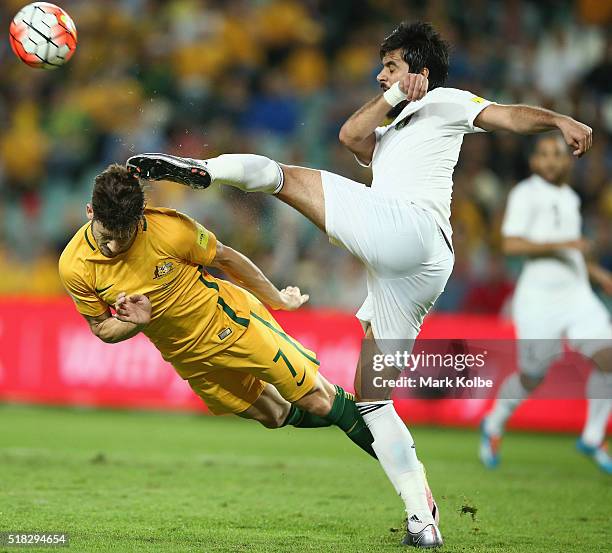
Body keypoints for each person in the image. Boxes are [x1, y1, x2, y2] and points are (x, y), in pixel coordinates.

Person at [126, 21, 593, 548]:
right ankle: (423, 520)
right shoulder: (391, 125)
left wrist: (557, 119)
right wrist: (395, 93)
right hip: (413, 273)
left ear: (418, 70)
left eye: (390, 66)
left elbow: (508, 116)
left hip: (410, 231)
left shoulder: (447, 101)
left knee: (282, 177)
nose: (379, 74)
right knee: (373, 400)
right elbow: (350, 137)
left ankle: (200, 169)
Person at [58, 163, 382, 461]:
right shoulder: (75, 267)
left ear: (140, 216)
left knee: (317, 399)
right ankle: (363, 421)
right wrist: (136, 324)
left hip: (230, 323)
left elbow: (227, 258)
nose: (113, 247)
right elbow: (101, 328)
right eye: (106, 237)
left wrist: (277, 299)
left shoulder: (170, 230)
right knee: (276, 415)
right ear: (90, 212)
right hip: (187, 356)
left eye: (123, 236)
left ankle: (407, 476)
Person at [479, 135, 612, 473]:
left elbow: (573, 251)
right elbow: (510, 245)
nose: (552, 160)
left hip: (576, 294)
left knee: (609, 358)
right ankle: (494, 423)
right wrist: (563, 244)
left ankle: (593, 436)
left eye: (558, 154)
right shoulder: (526, 194)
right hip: (539, 298)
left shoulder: (569, 197)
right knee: (532, 376)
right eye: (545, 154)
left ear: (568, 161)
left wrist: (597, 274)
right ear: (534, 162)